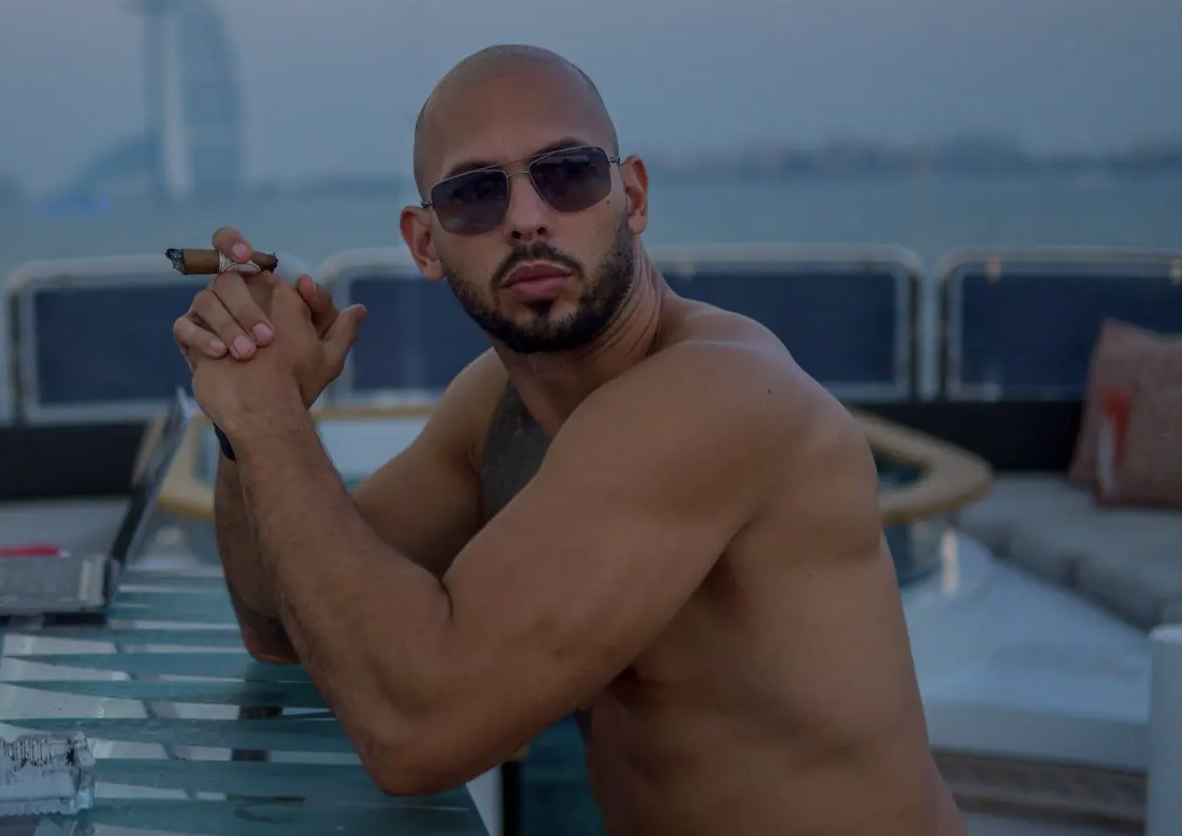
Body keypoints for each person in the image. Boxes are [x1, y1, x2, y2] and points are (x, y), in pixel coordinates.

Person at [171, 44, 968, 836]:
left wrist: (270, 419)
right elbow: (280, 626)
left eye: (568, 174)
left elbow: (415, 732)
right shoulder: (499, 405)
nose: (526, 218)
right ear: (424, 243)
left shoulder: (717, 394)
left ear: (634, 196)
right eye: (475, 193)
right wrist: (252, 409)